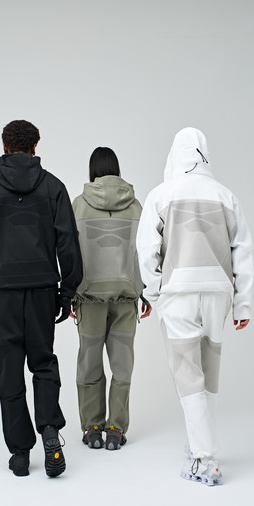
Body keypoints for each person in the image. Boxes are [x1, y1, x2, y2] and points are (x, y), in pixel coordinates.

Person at [136, 127, 254, 485]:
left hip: (179, 293)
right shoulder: (226, 196)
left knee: (188, 373)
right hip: (219, 293)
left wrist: (154, 294)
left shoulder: (161, 194)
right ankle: (199, 443)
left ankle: (205, 460)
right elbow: (243, 252)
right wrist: (243, 305)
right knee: (209, 368)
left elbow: (146, 251)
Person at [0, 119, 83, 477]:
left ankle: (20, 454)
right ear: (35, 146)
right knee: (43, 362)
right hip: (42, 289)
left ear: (5, 146)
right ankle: (49, 431)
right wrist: (67, 292)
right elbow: (68, 242)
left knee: (9, 367)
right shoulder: (53, 187)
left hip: (3, 291)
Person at [70, 147, 152, 451]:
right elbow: (144, 252)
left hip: (89, 298)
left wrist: (69, 293)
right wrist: (145, 291)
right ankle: (116, 429)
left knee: (89, 365)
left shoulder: (79, 205)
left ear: (92, 170)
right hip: (126, 299)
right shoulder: (137, 207)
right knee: (123, 366)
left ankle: (92, 427)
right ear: (117, 168)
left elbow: (69, 251)